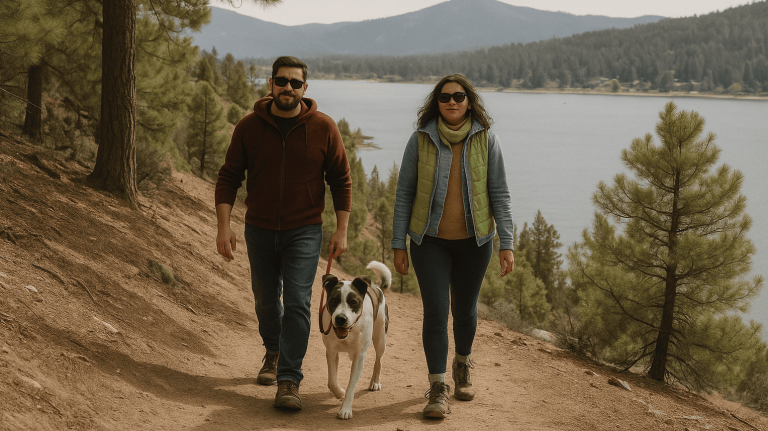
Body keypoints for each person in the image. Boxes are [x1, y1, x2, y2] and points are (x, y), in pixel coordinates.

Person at [215, 56, 351, 411]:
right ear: (271, 84)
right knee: (264, 299)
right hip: (258, 228)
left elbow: (341, 180)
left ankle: (289, 379)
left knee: (297, 301)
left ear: (305, 88)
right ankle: (273, 351)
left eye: (295, 82)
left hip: (304, 230)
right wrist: (223, 226)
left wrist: (342, 230)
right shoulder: (249, 127)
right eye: (281, 81)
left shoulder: (323, 127)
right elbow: (229, 177)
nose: (287, 88)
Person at [391, 74, 515, 419]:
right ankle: (438, 388)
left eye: (459, 96)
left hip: (476, 242)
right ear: (437, 102)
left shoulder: (487, 139)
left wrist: (506, 242)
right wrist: (398, 243)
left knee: (464, 311)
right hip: (429, 241)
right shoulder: (421, 139)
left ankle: (462, 364)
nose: (452, 102)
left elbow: (500, 193)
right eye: (445, 97)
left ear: (469, 102)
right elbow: (404, 194)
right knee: (435, 312)